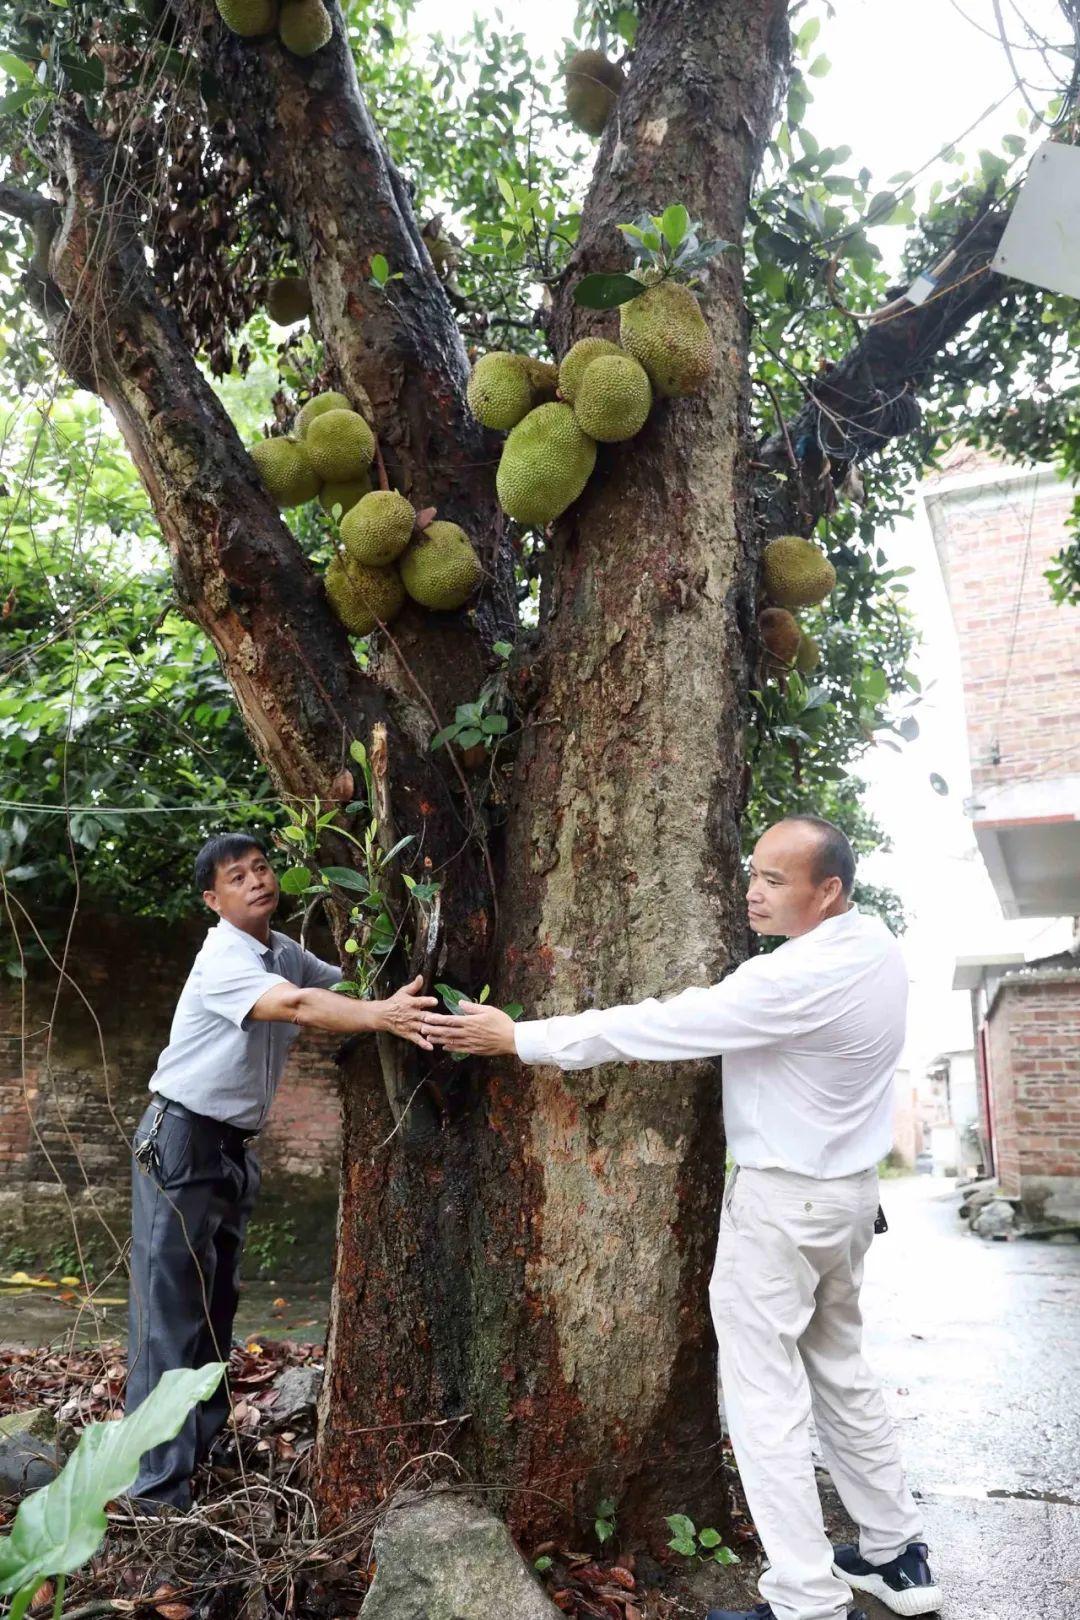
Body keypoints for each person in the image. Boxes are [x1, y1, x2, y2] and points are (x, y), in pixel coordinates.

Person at [425, 815, 942, 1620]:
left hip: (784, 1204)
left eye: (776, 880)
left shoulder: (790, 980)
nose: (753, 892)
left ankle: (805, 1599)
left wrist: (519, 1036)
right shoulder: (875, 943)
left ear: (828, 891)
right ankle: (897, 1556)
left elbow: (660, 1025)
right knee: (841, 1371)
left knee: (765, 1397)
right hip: (846, 1200)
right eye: (755, 873)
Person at [126, 831, 436, 1509]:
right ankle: (155, 1492)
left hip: (232, 1150)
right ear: (214, 899)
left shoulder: (280, 951)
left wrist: (400, 985)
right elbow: (297, 1005)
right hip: (180, 1141)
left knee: (215, 1313)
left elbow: (340, 987)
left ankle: (199, 1453)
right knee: (169, 1319)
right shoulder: (223, 959)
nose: (257, 881)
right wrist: (382, 1017)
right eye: (237, 877)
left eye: (262, 868)